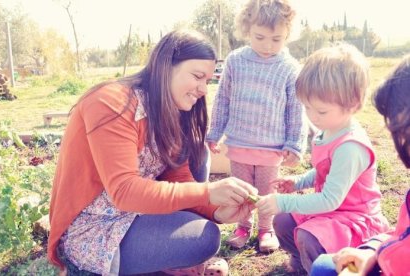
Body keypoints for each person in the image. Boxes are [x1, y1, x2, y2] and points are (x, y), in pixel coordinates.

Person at [47, 29, 259, 276]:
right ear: (166, 66)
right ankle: (94, 268)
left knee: (198, 157)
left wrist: (219, 212)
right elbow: (124, 191)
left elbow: (179, 180)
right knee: (204, 238)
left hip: (138, 212)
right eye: (198, 76)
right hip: (96, 228)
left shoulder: (174, 111)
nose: (203, 89)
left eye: (208, 81)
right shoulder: (111, 101)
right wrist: (208, 191)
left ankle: (162, 264)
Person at [255, 43, 390, 274]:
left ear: (353, 104)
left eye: (321, 111)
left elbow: (330, 200)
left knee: (308, 236)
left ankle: (323, 268)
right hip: (332, 211)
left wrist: (282, 201)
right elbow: (323, 170)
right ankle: (303, 264)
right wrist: (299, 182)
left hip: (352, 217)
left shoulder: (350, 147)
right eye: (307, 108)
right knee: (283, 221)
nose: (313, 117)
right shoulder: (327, 130)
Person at [206, 0, 307, 253]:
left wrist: (294, 144)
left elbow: (296, 109)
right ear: (247, 29)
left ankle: (266, 229)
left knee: (265, 192)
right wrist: (215, 132)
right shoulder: (235, 61)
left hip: (271, 149)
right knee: (241, 192)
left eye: (276, 39)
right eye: (259, 37)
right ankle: (242, 226)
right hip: (239, 143)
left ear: (288, 35)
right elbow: (223, 98)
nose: (267, 45)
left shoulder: (289, 68)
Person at [310, 55, 410, 276]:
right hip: (384, 256)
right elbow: (403, 236)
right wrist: (371, 252)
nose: (401, 146)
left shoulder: (350, 146)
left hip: (357, 221)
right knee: (324, 267)